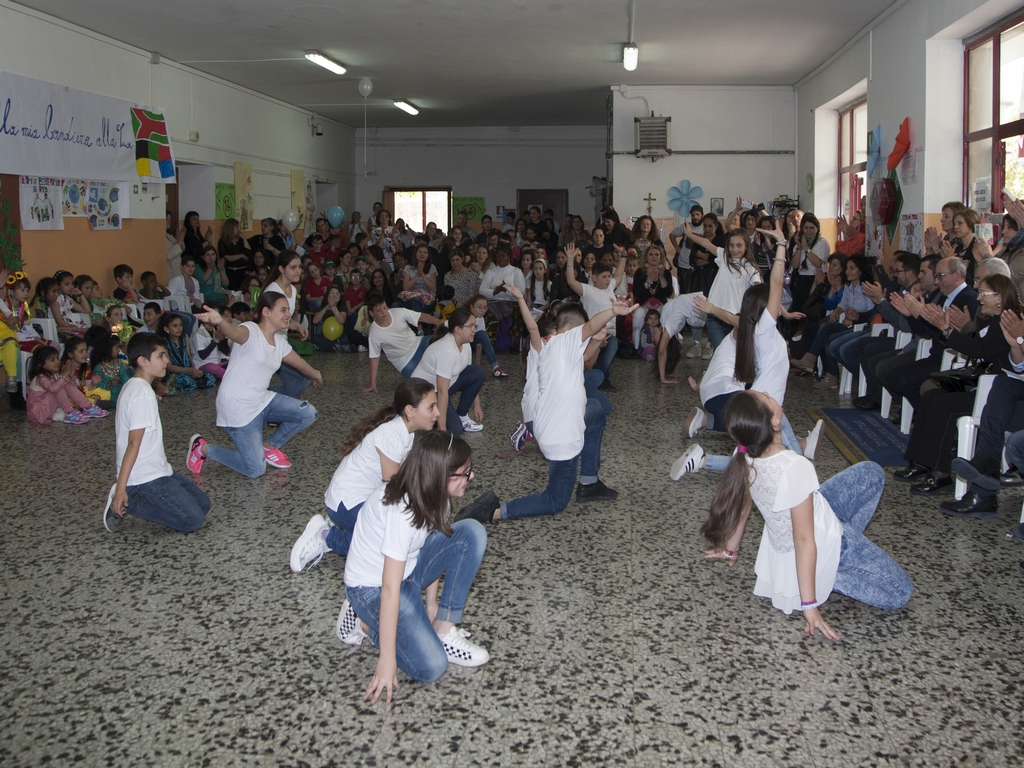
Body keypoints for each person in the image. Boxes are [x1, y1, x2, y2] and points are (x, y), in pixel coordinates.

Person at [700, 390, 913, 640]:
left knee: (871, 472)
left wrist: (731, 549)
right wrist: (810, 606)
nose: (768, 393)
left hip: (815, 514)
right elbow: (803, 539)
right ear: (774, 421)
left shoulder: (745, 454)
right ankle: (829, 572)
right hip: (819, 541)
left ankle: (845, 551)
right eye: (765, 397)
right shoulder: (795, 467)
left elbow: (744, 507)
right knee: (900, 591)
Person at [456, 296, 637, 524]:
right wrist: (612, 311)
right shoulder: (566, 340)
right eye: (583, 330)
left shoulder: (555, 347)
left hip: (548, 425)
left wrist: (594, 341)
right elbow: (590, 326)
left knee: (596, 410)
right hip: (561, 437)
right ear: (575, 328)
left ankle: (589, 481)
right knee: (555, 500)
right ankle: (492, 512)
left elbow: (583, 358)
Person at [339, 431, 490, 702]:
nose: (472, 476)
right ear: (442, 476)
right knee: (431, 666)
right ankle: (363, 623)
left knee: (471, 533)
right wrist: (387, 659)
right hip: (372, 589)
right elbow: (389, 588)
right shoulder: (402, 512)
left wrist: (432, 606)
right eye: (465, 472)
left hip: (406, 571)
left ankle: (444, 629)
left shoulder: (435, 493)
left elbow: (430, 542)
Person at [672, 231, 817, 476]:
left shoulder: (756, 331)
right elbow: (776, 285)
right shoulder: (763, 329)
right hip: (765, 404)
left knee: (751, 458)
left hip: (763, 401)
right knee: (755, 458)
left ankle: (702, 461)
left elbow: (769, 294)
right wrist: (781, 244)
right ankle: (801, 459)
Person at [289, 379, 439, 572]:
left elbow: (405, 478)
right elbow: (393, 489)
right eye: (431, 407)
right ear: (410, 411)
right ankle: (326, 536)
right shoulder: (391, 436)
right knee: (384, 545)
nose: (437, 413)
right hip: (346, 503)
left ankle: (346, 531)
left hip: (362, 500)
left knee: (398, 537)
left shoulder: (406, 433)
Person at [185, 293, 323, 478]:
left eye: (288, 310)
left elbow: (299, 364)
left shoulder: (279, 342)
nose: (288, 314)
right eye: (283, 310)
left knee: (308, 413)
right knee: (255, 469)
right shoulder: (250, 330)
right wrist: (220, 322)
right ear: (266, 312)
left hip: (262, 400)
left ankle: (269, 446)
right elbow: (234, 333)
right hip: (237, 406)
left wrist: (315, 373)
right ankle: (203, 449)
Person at [102, 333, 212, 533]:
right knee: (192, 520)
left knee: (203, 504)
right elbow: (133, 443)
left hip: (158, 469)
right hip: (144, 476)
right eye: (161, 356)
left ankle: (130, 492)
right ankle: (129, 500)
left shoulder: (136, 385)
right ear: (142, 361)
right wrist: (121, 487)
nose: (167, 360)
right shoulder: (142, 394)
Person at [682, 224, 763, 349]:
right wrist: (689, 234)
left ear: (747, 246)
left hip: (736, 317)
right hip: (715, 314)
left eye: (739, 245)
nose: (734, 249)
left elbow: (762, 292)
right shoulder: (725, 256)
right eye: (731, 245)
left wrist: (782, 311)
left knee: (734, 352)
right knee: (720, 350)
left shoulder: (750, 267)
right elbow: (705, 243)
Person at [411, 308, 486, 435]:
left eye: (475, 326)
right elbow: (441, 391)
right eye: (471, 326)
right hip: (424, 394)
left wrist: (477, 405)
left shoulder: (465, 344)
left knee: (477, 372)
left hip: (442, 388)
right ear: (458, 329)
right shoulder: (447, 350)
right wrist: (442, 428)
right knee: (454, 430)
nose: (475, 330)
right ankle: (427, 416)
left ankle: (462, 416)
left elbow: (470, 374)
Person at [564, 244, 626, 390]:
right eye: (604, 277)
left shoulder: (610, 287)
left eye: (608, 276)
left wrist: (623, 256)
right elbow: (571, 281)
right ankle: (598, 379)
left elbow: (618, 275)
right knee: (608, 346)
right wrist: (570, 259)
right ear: (594, 277)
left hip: (609, 332)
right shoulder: (588, 290)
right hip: (593, 333)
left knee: (612, 344)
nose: (608, 279)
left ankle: (602, 379)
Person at [364, 293, 443, 391]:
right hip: (405, 361)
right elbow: (374, 357)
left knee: (439, 343)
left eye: (384, 307)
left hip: (418, 344)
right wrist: (372, 383)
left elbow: (420, 316)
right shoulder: (374, 332)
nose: (384, 312)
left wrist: (437, 322)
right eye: (378, 310)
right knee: (423, 384)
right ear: (371, 313)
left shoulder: (398, 312)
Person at [26, 345, 107, 424]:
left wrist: (71, 376)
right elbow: (53, 389)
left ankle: (87, 407)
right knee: (58, 387)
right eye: (52, 360)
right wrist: (64, 376)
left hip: (51, 408)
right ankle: (69, 412)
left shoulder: (55, 374)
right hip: (39, 412)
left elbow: (74, 386)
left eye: (57, 358)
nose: (57, 361)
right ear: (41, 365)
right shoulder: (40, 377)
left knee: (65, 384)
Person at [160, 312, 216, 391]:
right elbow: (169, 367)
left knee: (210, 377)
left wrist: (194, 370)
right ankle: (170, 382)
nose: (179, 328)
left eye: (180, 325)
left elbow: (189, 358)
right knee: (187, 381)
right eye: (175, 326)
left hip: (188, 371)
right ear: (166, 329)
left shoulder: (185, 337)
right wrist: (188, 370)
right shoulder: (163, 342)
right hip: (174, 373)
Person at [465, 294, 508, 378]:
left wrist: (477, 366)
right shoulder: (464, 317)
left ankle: (495, 367)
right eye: (479, 307)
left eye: (485, 308)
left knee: (482, 334)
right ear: (472, 307)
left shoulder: (480, 319)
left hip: (470, 341)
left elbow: (480, 342)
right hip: (459, 342)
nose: (482, 310)